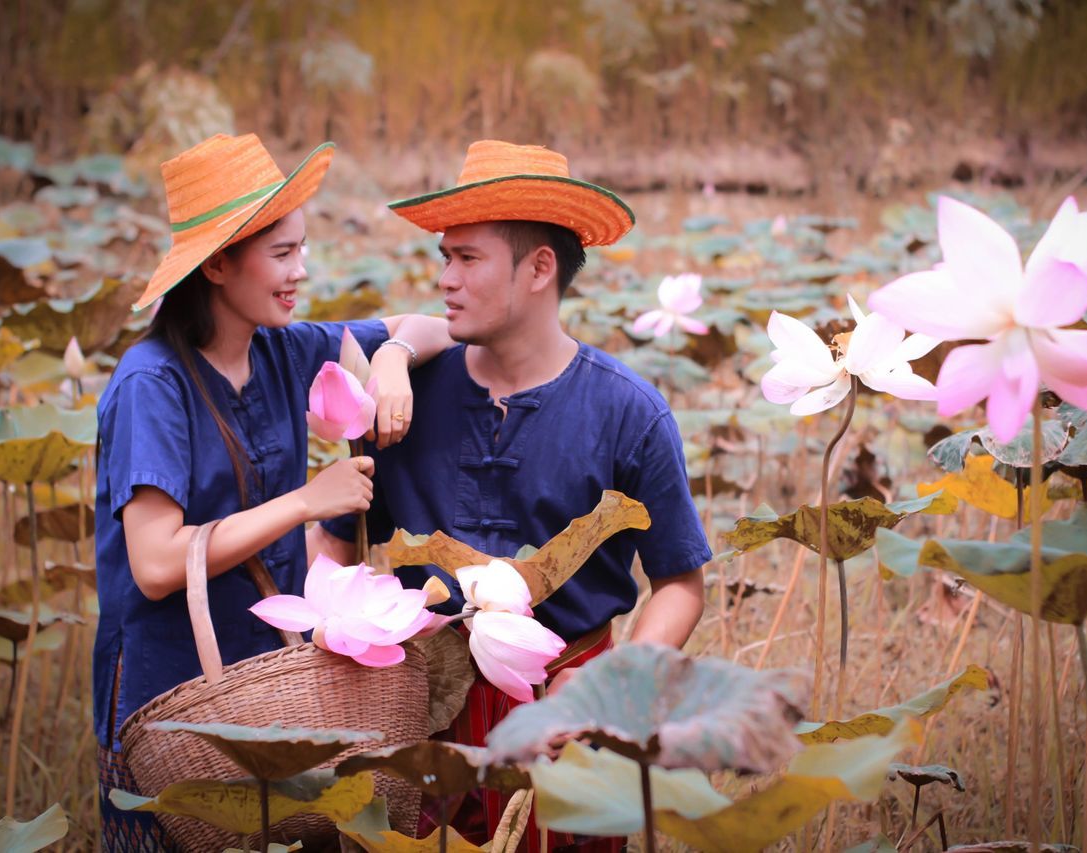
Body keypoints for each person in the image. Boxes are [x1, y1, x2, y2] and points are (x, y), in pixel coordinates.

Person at [310, 140, 710, 850]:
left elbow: (680, 582)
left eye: (467, 259)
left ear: (539, 268)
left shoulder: (629, 412)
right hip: (424, 721)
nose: (445, 279)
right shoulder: (401, 400)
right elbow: (337, 540)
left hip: (570, 717)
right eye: (444, 258)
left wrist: (610, 688)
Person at [93, 133, 451, 851]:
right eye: (283, 254)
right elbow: (156, 563)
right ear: (218, 264)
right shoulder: (151, 384)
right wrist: (305, 502)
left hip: (273, 680)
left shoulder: (283, 349)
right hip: (171, 694)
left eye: (302, 250)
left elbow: (437, 325)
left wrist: (391, 356)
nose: (301, 271)